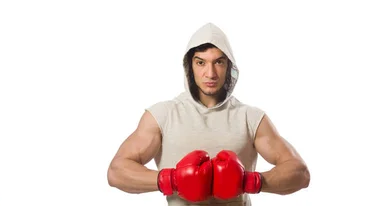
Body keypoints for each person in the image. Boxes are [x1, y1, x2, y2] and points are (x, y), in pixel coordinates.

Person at [106, 22, 311, 206]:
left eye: (219, 62)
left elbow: (300, 173)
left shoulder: (250, 118)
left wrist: (250, 181)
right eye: (201, 62)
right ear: (190, 66)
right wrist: (171, 179)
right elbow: (116, 172)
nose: (210, 73)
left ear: (229, 66)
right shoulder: (163, 115)